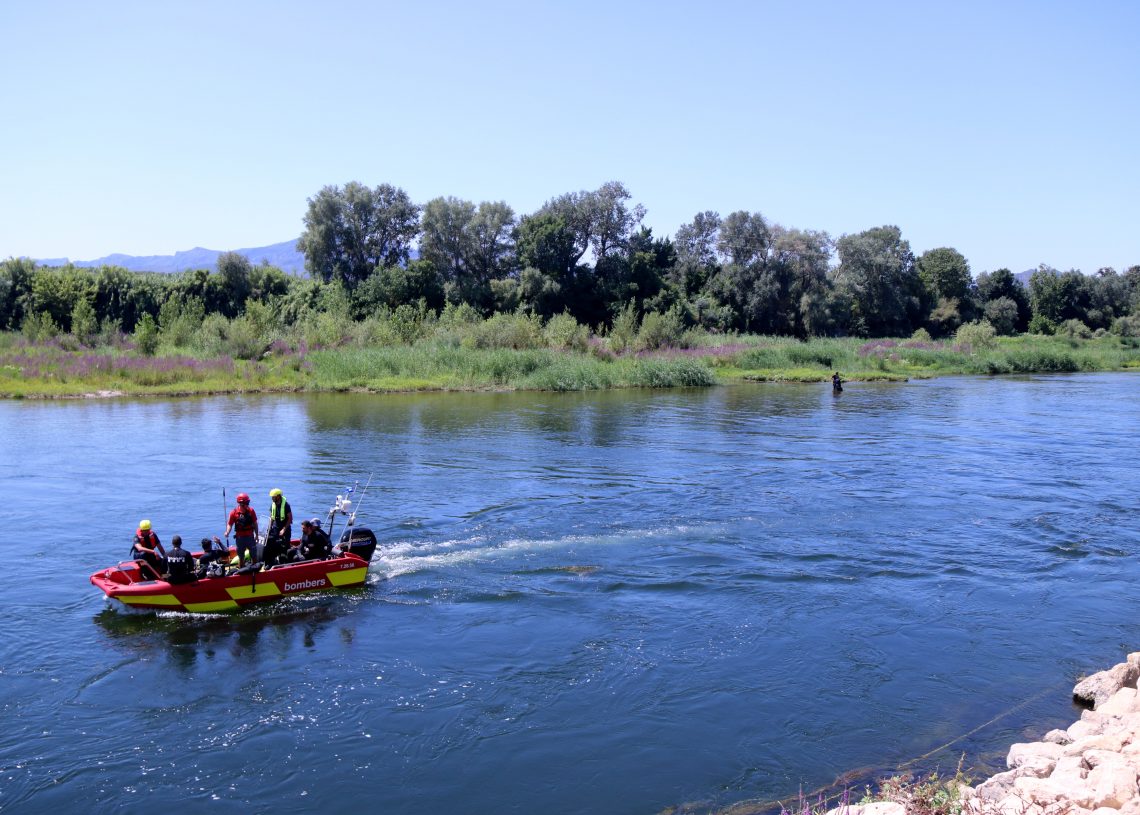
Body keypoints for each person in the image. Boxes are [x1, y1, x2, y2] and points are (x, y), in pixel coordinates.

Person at [224, 492, 259, 565]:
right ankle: (242, 569)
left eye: (248, 502)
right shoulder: (234, 513)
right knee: (241, 556)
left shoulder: (251, 511)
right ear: (241, 503)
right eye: (246, 502)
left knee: (253, 554)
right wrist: (227, 532)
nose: (248, 504)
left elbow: (255, 524)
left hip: (250, 537)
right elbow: (230, 524)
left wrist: (256, 535)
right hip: (240, 538)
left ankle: (255, 569)